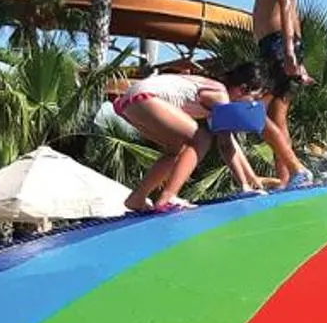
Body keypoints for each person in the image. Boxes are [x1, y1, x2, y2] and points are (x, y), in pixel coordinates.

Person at [113, 63, 264, 212]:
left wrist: (250, 180)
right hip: (144, 98)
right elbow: (225, 144)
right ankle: (169, 197)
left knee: (175, 150)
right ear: (243, 89)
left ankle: (137, 198)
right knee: (201, 138)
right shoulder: (221, 96)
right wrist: (245, 186)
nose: (253, 104)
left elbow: (230, 143)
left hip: (129, 104)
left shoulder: (217, 97)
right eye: (254, 98)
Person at [243, 0, 315, 189]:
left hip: (278, 45)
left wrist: (289, 53)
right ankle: (289, 178)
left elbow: (287, 7)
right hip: (276, 45)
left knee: (251, 110)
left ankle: (297, 170)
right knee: (277, 117)